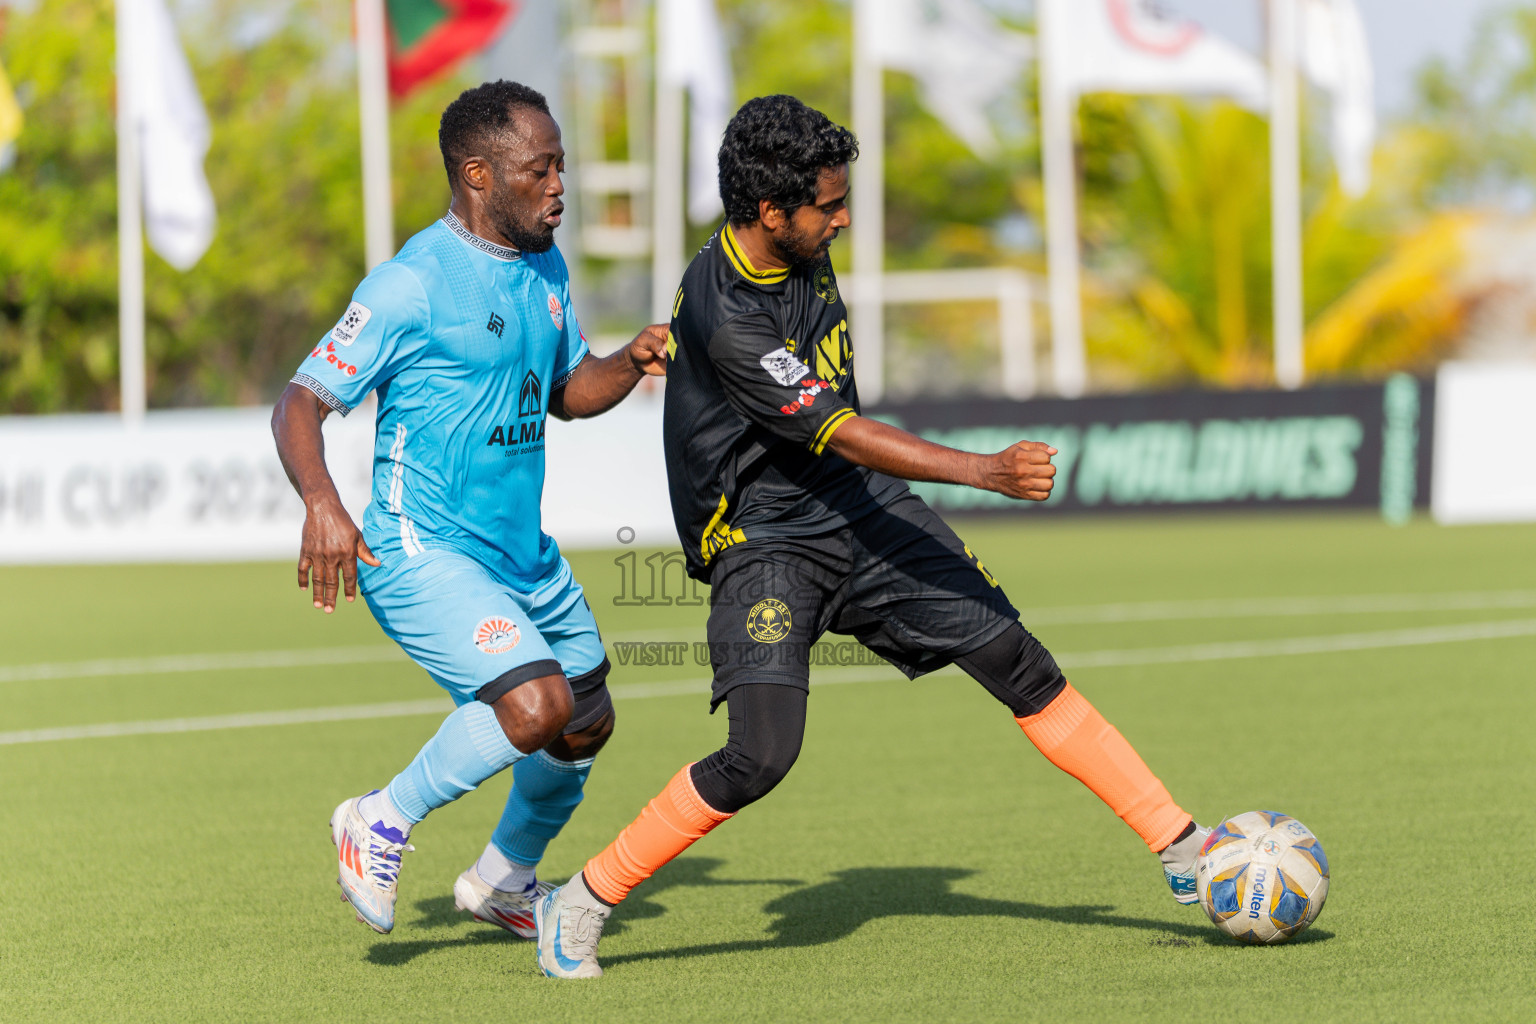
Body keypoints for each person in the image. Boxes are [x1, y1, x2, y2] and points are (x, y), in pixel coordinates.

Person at [532, 95, 1208, 979]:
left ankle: (1185, 848)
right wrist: (987, 473)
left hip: (857, 505)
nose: (845, 217)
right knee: (760, 755)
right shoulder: (728, 315)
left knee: (1023, 666)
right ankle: (581, 901)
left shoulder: (792, 246)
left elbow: (845, 445)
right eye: (830, 205)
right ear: (771, 213)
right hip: (764, 541)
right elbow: (841, 426)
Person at [271, 80, 666, 937]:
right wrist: (322, 504)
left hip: (521, 553)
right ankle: (379, 816)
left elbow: (567, 390)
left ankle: (505, 881)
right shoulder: (410, 284)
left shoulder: (544, 265)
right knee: (536, 709)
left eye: (562, 164)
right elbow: (299, 401)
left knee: (583, 724)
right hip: (421, 549)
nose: (560, 185)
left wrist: (630, 361)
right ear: (479, 175)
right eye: (541, 169)